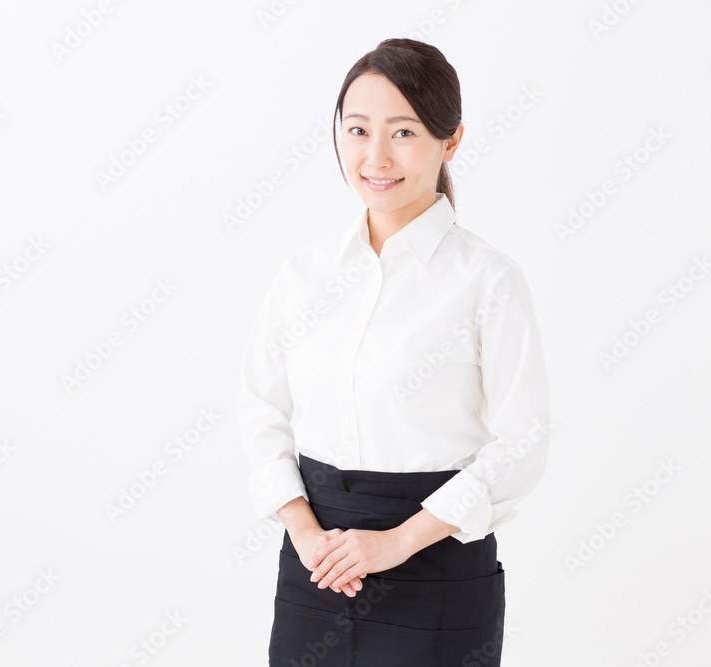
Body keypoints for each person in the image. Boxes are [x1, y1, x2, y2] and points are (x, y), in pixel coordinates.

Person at [235, 38, 550, 665]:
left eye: (403, 132)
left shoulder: (488, 280)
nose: (375, 156)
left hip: (436, 567)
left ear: (451, 140)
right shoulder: (303, 276)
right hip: (317, 565)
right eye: (357, 130)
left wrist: (395, 543)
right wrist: (304, 531)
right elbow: (259, 409)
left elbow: (524, 441)